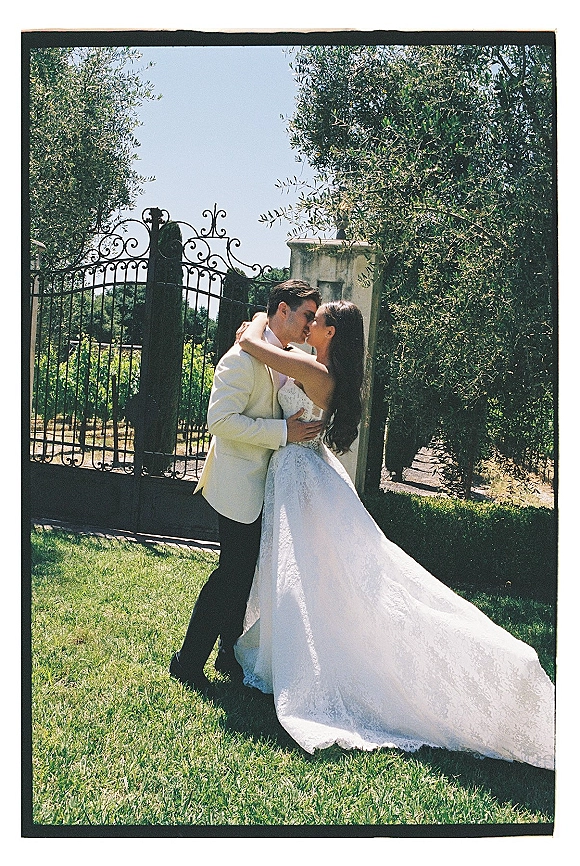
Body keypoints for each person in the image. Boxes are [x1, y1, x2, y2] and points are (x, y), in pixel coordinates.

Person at [233, 300, 555, 770]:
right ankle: (298, 650)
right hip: (298, 474)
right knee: (309, 576)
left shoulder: (316, 373)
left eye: (316, 320)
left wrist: (262, 319)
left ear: (330, 334)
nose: (308, 323)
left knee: (311, 574)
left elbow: (248, 342)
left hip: (302, 478)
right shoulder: (315, 366)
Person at [170, 280, 323, 694]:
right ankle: (187, 661)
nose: (310, 324)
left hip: (269, 486)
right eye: (307, 315)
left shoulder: (288, 355)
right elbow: (219, 422)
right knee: (230, 573)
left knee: (244, 574)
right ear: (282, 311)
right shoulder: (239, 359)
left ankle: (227, 653)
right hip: (237, 481)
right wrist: (282, 433)